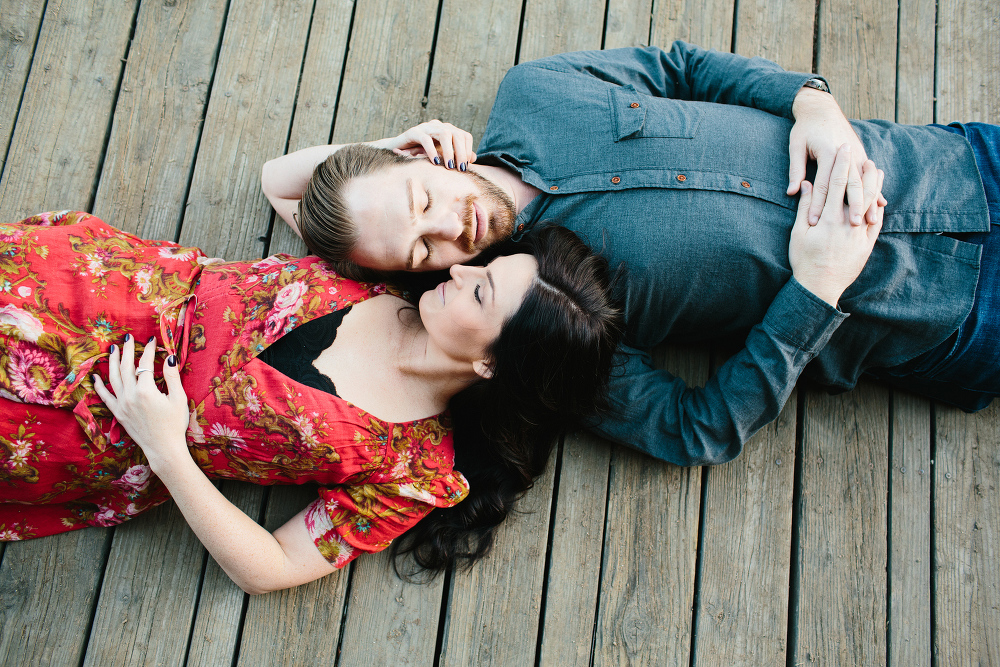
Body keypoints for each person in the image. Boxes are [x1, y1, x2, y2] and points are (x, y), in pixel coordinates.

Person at [260, 41, 999, 466]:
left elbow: (681, 68)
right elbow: (691, 428)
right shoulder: (545, 309)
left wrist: (813, 104)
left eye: (422, 200)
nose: (448, 232)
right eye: (420, 251)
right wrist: (816, 288)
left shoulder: (534, 92)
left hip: (954, 165)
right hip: (942, 310)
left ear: (424, 153)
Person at [0, 211, 622, 592]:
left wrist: (166, 452)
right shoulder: (392, 267)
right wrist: (418, 147)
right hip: (85, 281)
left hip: (75, 423)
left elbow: (271, 568)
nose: (459, 273)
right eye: (484, 266)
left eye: (481, 294)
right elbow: (289, 183)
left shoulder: (411, 472)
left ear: (492, 364)